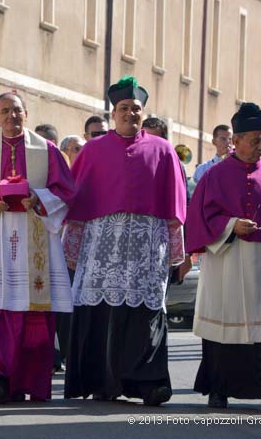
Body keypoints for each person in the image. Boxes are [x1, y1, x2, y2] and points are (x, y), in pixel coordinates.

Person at [64, 76, 187, 406]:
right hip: (102, 243)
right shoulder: (92, 150)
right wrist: (72, 248)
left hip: (146, 244)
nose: (130, 113)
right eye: (124, 108)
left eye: (136, 109)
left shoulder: (162, 150)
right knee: (102, 309)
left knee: (144, 311)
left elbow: (175, 206)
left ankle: (149, 383)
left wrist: (178, 253)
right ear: (112, 113)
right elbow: (77, 203)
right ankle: (104, 381)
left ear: (143, 113)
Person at [186, 102, 261, 412]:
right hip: (226, 260)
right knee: (223, 327)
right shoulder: (214, 176)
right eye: (255, 140)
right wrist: (231, 224)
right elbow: (200, 218)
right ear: (236, 141)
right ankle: (219, 390)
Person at [0, 91, 75, 402]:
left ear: (26, 114)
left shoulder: (46, 150)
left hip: (35, 236)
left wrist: (40, 198)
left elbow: (66, 192)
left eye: (17, 110)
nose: (12, 116)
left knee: (31, 312)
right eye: (5, 111)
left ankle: (29, 381)